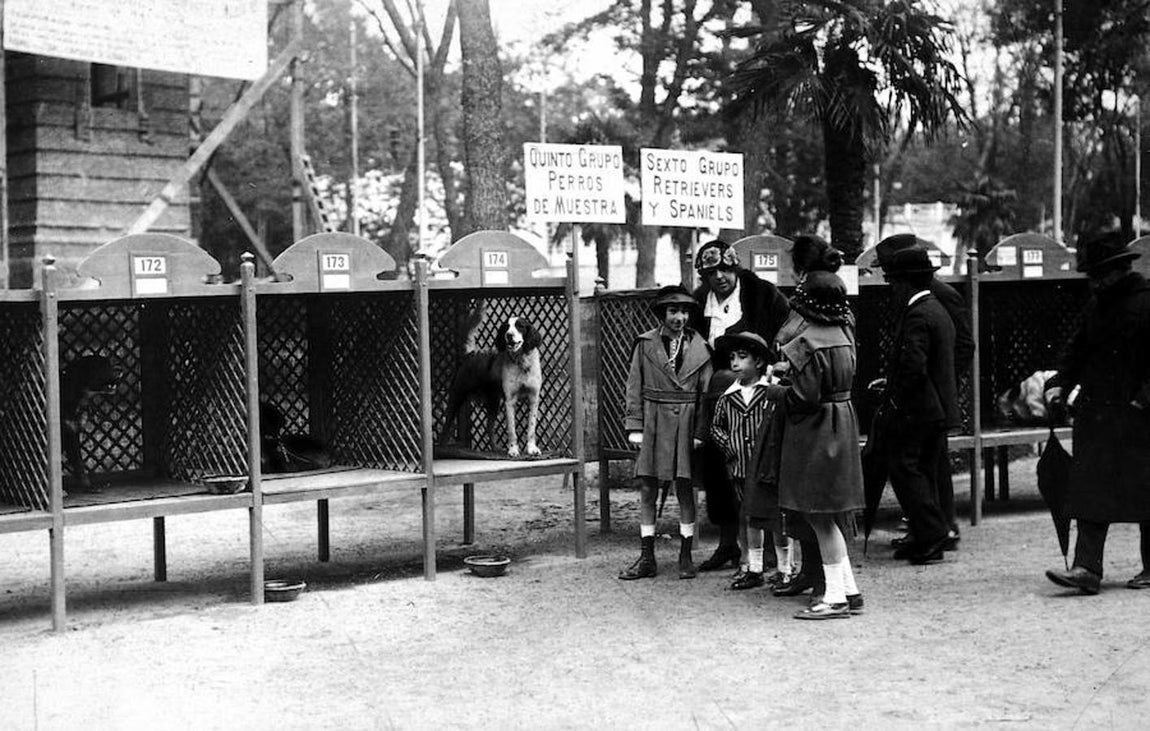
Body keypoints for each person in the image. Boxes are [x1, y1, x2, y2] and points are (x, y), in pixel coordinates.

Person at [1043, 232, 1150, 595]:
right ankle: (1086, 569)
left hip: (1140, 416)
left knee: (1146, 492)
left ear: (1121, 269)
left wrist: (1144, 400)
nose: (1095, 281)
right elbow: (1076, 350)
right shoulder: (1097, 305)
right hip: (1099, 414)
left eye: (1101, 273)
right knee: (1090, 490)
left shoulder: (1147, 302)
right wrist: (1059, 381)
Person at [690, 240, 791, 572]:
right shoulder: (697, 303)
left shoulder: (761, 293)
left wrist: (777, 363)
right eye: (710, 272)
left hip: (759, 392)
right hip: (716, 396)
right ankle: (728, 543)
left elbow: (790, 327)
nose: (719, 277)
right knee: (720, 466)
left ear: (735, 267)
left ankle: (770, 551)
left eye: (724, 269)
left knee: (759, 465)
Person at [771, 267, 865, 619]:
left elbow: (803, 398)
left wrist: (775, 391)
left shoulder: (808, 341)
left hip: (816, 429)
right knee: (832, 511)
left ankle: (836, 597)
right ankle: (849, 590)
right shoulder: (844, 333)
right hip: (842, 419)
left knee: (819, 515)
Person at [875, 234, 972, 548]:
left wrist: (938, 384)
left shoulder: (938, 295)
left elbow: (964, 345)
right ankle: (927, 530)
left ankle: (941, 528)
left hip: (929, 398)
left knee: (928, 463)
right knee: (925, 463)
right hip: (928, 396)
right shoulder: (921, 294)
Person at [619, 285, 713, 580]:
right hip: (654, 421)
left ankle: (685, 555)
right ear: (663, 313)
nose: (679, 317)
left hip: (687, 423)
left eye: (685, 311)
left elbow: (706, 395)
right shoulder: (645, 344)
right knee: (648, 488)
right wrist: (635, 426)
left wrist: (701, 431)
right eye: (673, 311)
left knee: (685, 488)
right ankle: (647, 556)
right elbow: (634, 386)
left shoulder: (702, 348)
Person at [707, 331, 789, 590]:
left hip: (769, 468)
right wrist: (728, 444)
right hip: (741, 468)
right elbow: (716, 427)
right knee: (749, 516)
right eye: (732, 357)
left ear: (759, 362)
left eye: (742, 357)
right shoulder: (728, 397)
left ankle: (785, 569)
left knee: (778, 519)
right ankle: (753, 567)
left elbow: (783, 426)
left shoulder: (772, 393)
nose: (735, 363)